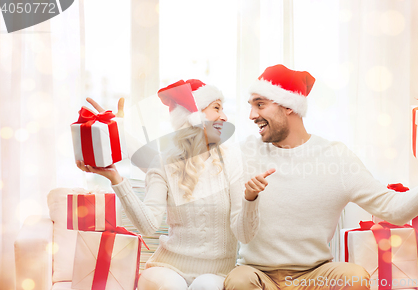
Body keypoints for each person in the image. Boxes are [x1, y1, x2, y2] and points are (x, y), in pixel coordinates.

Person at [224, 64, 418, 290]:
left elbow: (395, 210)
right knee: (239, 280)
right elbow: (242, 235)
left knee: (353, 276)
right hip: (257, 274)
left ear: (288, 106)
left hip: (314, 275)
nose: (251, 115)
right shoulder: (244, 153)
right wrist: (250, 198)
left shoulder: (336, 157)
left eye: (259, 104)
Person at [76, 79, 273, 290]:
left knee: (205, 286)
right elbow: (148, 225)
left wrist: (250, 198)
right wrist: (117, 179)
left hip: (216, 273)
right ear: (195, 117)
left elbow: (244, 235)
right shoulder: (164, 162)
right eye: (216, 108)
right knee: (172, 285)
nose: (224, 117)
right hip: (167, 269)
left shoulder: (232, 158)